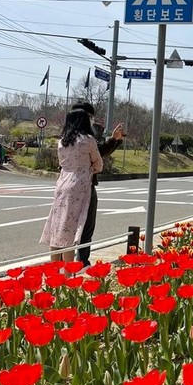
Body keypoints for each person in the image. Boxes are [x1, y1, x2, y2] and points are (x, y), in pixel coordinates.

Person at [40, 109, 102, 262]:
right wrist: (88, 169)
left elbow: (62, 163)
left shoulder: (62, 142)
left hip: (62, 182)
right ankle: (68, 271)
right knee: (70, 229)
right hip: (79, 185)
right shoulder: (88, 140)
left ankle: (54, 269)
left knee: (57, 226)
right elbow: (98, 165)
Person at [70, 101, 125, 267]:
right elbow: (98, 160)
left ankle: (62, 264)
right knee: (86, 226)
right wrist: (114, 140)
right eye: (91, 117)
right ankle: (82, 261)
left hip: (65, 186)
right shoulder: (88, 140)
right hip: (86, 185)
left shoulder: (64, 140)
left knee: (65, 226)